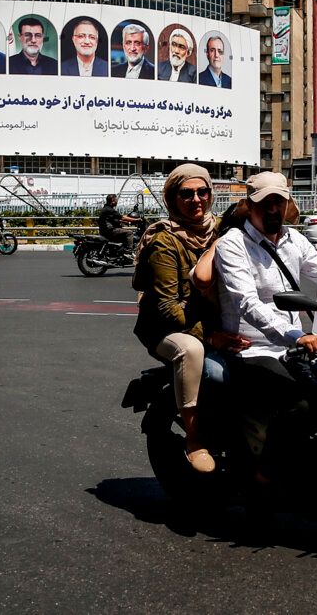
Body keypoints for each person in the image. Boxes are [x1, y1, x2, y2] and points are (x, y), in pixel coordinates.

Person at [211, 171, 317, 480]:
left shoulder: (295, 240)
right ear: (249, 206)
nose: (272, 208)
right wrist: (297, 336)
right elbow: (247, 303)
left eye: (278, 201)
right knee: (301, 402)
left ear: (287, 204)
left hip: (294, 347)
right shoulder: (233, 244)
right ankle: (265, 472)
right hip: (252, 349)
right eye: (264, 202)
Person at [131, 164, 220, 473]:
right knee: (191, 351)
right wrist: (211, 336)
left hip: (211, 321)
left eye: (202, 192)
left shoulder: (221, 230)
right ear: (172, 198)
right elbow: (168, 308)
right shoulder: (163, 241)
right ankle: (195, 439)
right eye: (187, 193)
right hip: (165, 326)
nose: (196, 199)